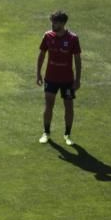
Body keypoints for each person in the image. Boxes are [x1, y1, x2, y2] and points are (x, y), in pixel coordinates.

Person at [36, 10, 82, 146]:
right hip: (51, 78)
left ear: (62, 23)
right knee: (48, 105)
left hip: (67, 80)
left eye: (55, 22)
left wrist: (78, 80)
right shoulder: (47, 36)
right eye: (52, 21)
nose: (52, 24)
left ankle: (67, 134)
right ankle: (46, 132)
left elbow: (78, 60)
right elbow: (42, 55)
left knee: (69, 107)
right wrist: (38, 73)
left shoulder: (73, 38)